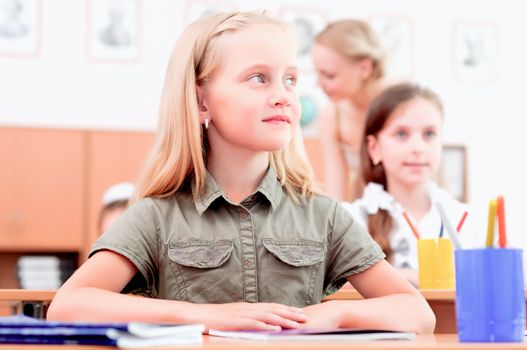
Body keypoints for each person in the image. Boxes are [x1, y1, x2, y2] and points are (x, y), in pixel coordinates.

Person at [47, 12, 434, 333]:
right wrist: (205, 317)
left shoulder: (324, 215)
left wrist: (332, 315)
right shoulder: (156, 216)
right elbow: (68, 305)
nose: (283, 94)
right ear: (201, 101)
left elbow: (418, 314)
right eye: (257, 78)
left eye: (291, 80)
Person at [343, 83, 475, 286]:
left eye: (429, 134)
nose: (417, 148)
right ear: (374, 148)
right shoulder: (351, 221)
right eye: (401, 134)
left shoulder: (467, 220)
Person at [311, 19, 387, 201]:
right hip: (366, 206)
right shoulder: (331, 116)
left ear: (364, 68)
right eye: (318, 73)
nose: (318, 84)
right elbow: (336, 194)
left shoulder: (400, 105)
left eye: (329, 75)